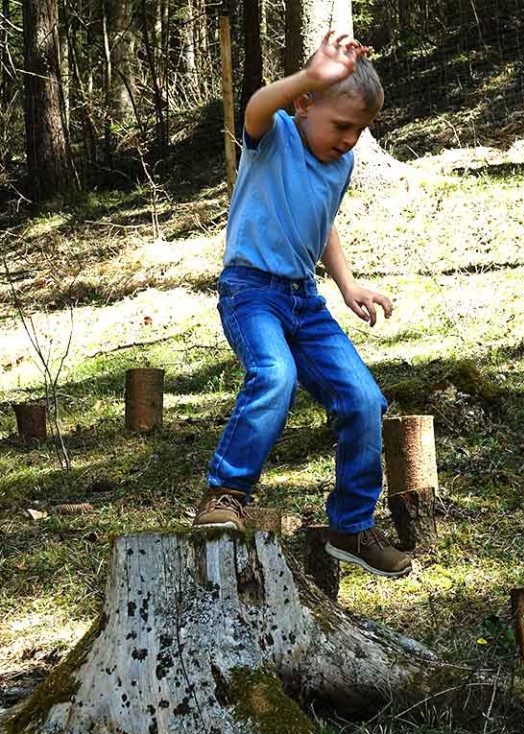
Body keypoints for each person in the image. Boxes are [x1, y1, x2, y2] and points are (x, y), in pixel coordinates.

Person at [193, 32, 412, 579]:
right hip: (251, 292)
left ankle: (351, 527)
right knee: (274, 374)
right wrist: (311, 77)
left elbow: (325, 224)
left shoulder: (340, 166)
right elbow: (254, 107)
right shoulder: (276, 137)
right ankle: (226, 493)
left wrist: (348, 285)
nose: (349, 139)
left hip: (303, 301)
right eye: (341, 126)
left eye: (359, 131)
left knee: (364, 398)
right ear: (305, 105)